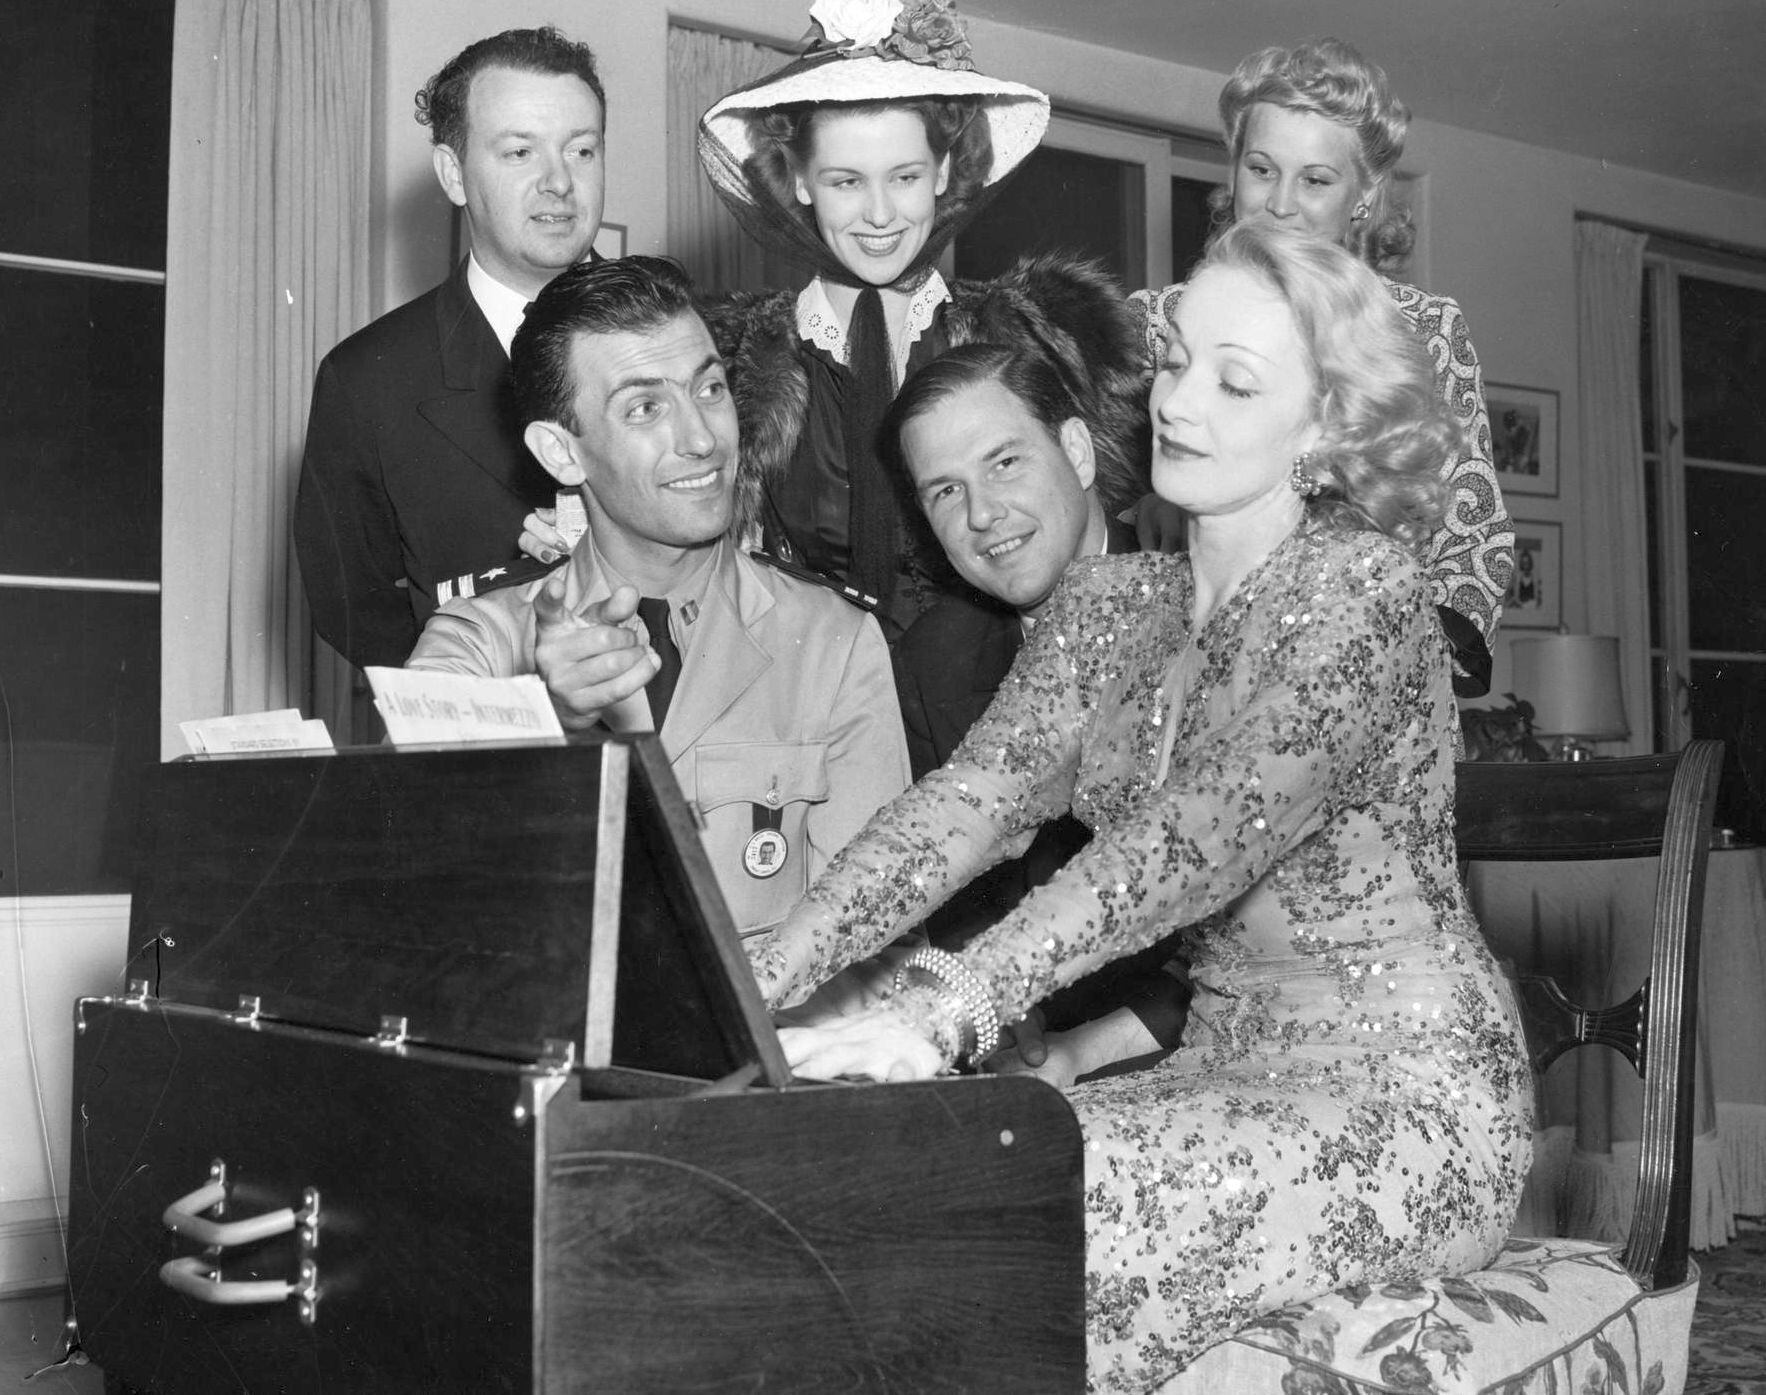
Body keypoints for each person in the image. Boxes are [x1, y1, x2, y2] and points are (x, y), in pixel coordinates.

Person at [748, 223, 1534, 1387]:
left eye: (1235, 381)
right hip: (1211, 1073)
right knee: (925, 1185)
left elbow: (1203, 835)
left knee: (1019, 1226)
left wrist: (947, 1006)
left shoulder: (1364, 590)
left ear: (1321, 424)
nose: (1179, 402)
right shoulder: (1104, 608)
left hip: (1407, 1093)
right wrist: (759, 974)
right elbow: (965, 806)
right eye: (1176, 363)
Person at [407, 257, 909, 937]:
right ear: (560, 453)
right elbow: (418, 890)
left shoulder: (831, 641)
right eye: (645, 408)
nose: (702, 439)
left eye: (710, 389)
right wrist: (551, 722)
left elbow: (873, 938)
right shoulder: (477, 642)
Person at [684, 0, 1149, 645]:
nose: (880, 214)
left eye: (904, 176)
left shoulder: (1036, 337)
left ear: (944, 172)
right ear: (800, 182)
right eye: (846, 182)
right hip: (819, 687)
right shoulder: (729, 365)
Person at [1131, 38, 1511, 697]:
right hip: (1188, 673)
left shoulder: (1423, 331)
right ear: (1234, 171)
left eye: (1315, 180)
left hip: (1373, 678)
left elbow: (1472, 533)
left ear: (1364, 194)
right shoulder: (1161, 322)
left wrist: (1395, 668)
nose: (1280, 203)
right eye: (1261, 169)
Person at [884, 343, 1188, 1066]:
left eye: (1004, 463)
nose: (983, 514)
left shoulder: (1207, 607)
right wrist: (1000, 1026)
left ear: (1077, 452)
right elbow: (957, 911)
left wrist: (1080, 1050)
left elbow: (1254, 945)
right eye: (945, 491)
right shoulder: (935, 659)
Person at [295, 27, 608, 671]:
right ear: (453, 173)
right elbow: (352, 608)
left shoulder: (692, 339)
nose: (558, 181)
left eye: (582, 150)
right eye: (520, 152)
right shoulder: (367, 380)